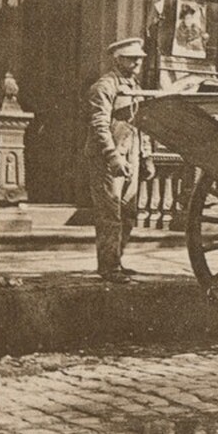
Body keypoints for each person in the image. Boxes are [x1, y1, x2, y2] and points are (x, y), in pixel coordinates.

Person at [85, 38, 154, 283]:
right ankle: (109, 267)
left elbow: (141, 123)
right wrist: (113, 157)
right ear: (118, 59)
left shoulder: (134, 85)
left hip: (131, 154)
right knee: (109, 213)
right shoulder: (104, 86)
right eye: (131, 58)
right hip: (108, 158)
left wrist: (146, 157)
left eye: (139, 58)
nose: (137, 62)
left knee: (128, 212)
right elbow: (99, 126)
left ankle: (117, 260)